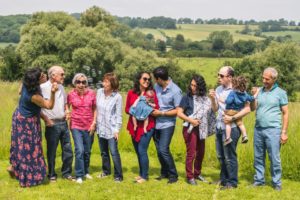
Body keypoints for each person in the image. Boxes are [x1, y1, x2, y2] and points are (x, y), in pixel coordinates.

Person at [9, 67, 58, 187]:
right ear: (36, 80)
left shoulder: (26, 85)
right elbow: (49, 105)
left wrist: (45, 119)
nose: (45, 76)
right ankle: (27, 179)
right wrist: (53, 92)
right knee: (29, 149)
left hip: (19, 116)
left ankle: (14, 167)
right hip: (27, 123)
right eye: (42, 75)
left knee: (19, 146)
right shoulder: (34, 96)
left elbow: (21, 92)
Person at [209, 66, 251, 190]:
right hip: (219, 126)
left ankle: (232, 183)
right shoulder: (218, 89)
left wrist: (232, 118)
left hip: (232, 127)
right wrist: (212, 99)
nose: (219, 77)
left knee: (229, 156)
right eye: (218, 75)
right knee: (221, 156)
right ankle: (224, 179)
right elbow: (215, 109)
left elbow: (248, 109)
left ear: (230, 77)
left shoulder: (238, 88)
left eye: (221, 76)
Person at [250, 67, 288, 191]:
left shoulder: (281, 93)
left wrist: (284, 132)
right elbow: (252, 108)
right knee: (258, 156)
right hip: (258, 129)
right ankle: (259, 180)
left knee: (274, 158)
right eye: (263, 78)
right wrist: (253, 96)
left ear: (274, 79)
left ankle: (276, 183)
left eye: (267, 79)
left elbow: (286, 113)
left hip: (274, 130)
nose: (264, 80)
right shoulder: (259, 91)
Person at [177, 74, 216, 185]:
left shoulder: (205, 99)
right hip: (190, 128)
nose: (192, 87)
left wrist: (213, 99)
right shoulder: (186, 97)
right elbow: (179, 113)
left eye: (195, 86)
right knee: (192, 153)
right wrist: (191, 121)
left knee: (201, 153)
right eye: (192, 85)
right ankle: (190, 177)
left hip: (201, 128)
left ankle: (197, 174)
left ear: (200, 87)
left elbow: (213, 109)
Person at [40, 66, 73, 182]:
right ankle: (52, 174)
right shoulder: (42, 88)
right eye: (62, 74)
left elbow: (65, 104)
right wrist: (45, 119)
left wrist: (67, 111)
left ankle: (67, 173)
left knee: (68, 150)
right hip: (52, 125)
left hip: (64, 123)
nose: (64, 76)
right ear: (53, 75)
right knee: (52, 151)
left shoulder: (62, 87)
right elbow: (37, 107)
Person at [125, 72, 159, 183]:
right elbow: (126, 109)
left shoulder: (151, 93)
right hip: (134, 126)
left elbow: (156, 109)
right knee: (138, 151)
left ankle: (145, 176)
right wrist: (136, 110)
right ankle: (141, 174)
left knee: (142, 150)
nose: (147, 81)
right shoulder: (131, 93)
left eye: (149, 79)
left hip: (147, 125)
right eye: (144, 78)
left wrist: (147, 108)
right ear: (139, 79)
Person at [151, 66, 182, 184]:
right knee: (159, 150)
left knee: (163, 149)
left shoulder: (175, 91)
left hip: (168, 124)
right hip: (156, 123)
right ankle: (164, 173)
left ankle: (173, 175)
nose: (154, 81)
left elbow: (178, 111)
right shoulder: (156, 87)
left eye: (155, 79)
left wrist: (162, 113)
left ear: (159, 79)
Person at [67, 73, 96, 184]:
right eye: (78, 82)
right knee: (79, 150)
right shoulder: (71, 94)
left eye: (84, 82)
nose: (81, 84)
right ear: (75, 83)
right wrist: (67, 111)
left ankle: (86, 171)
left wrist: (94, 122)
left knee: (87, 151)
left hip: (89, 126)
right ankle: (79, 175)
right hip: (76, 125)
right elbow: (67, 105)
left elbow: (94, 109)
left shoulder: (92, 94)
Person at [96, 72, 123, 182]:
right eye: (104, 80)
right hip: (100, 128)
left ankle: (118, 176)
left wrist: (117, 130)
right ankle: (106, 171)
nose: (104, 83)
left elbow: (119, 115)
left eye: (107, 81)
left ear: (112, 83)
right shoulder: (99, 92)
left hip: (111, 130)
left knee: (114, 152)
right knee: (103, 152)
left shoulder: (117, 97)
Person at [223, 76, 256, 145]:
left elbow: (229, 101)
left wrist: (224, 100)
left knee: (228, 123)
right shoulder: (245, 94)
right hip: (238, 112)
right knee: (240, 124)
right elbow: (251, 98)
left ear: (235, 85)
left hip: (229, 111)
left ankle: (228, 138)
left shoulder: (233, 93)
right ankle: (244, 135)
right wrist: (256, 93)